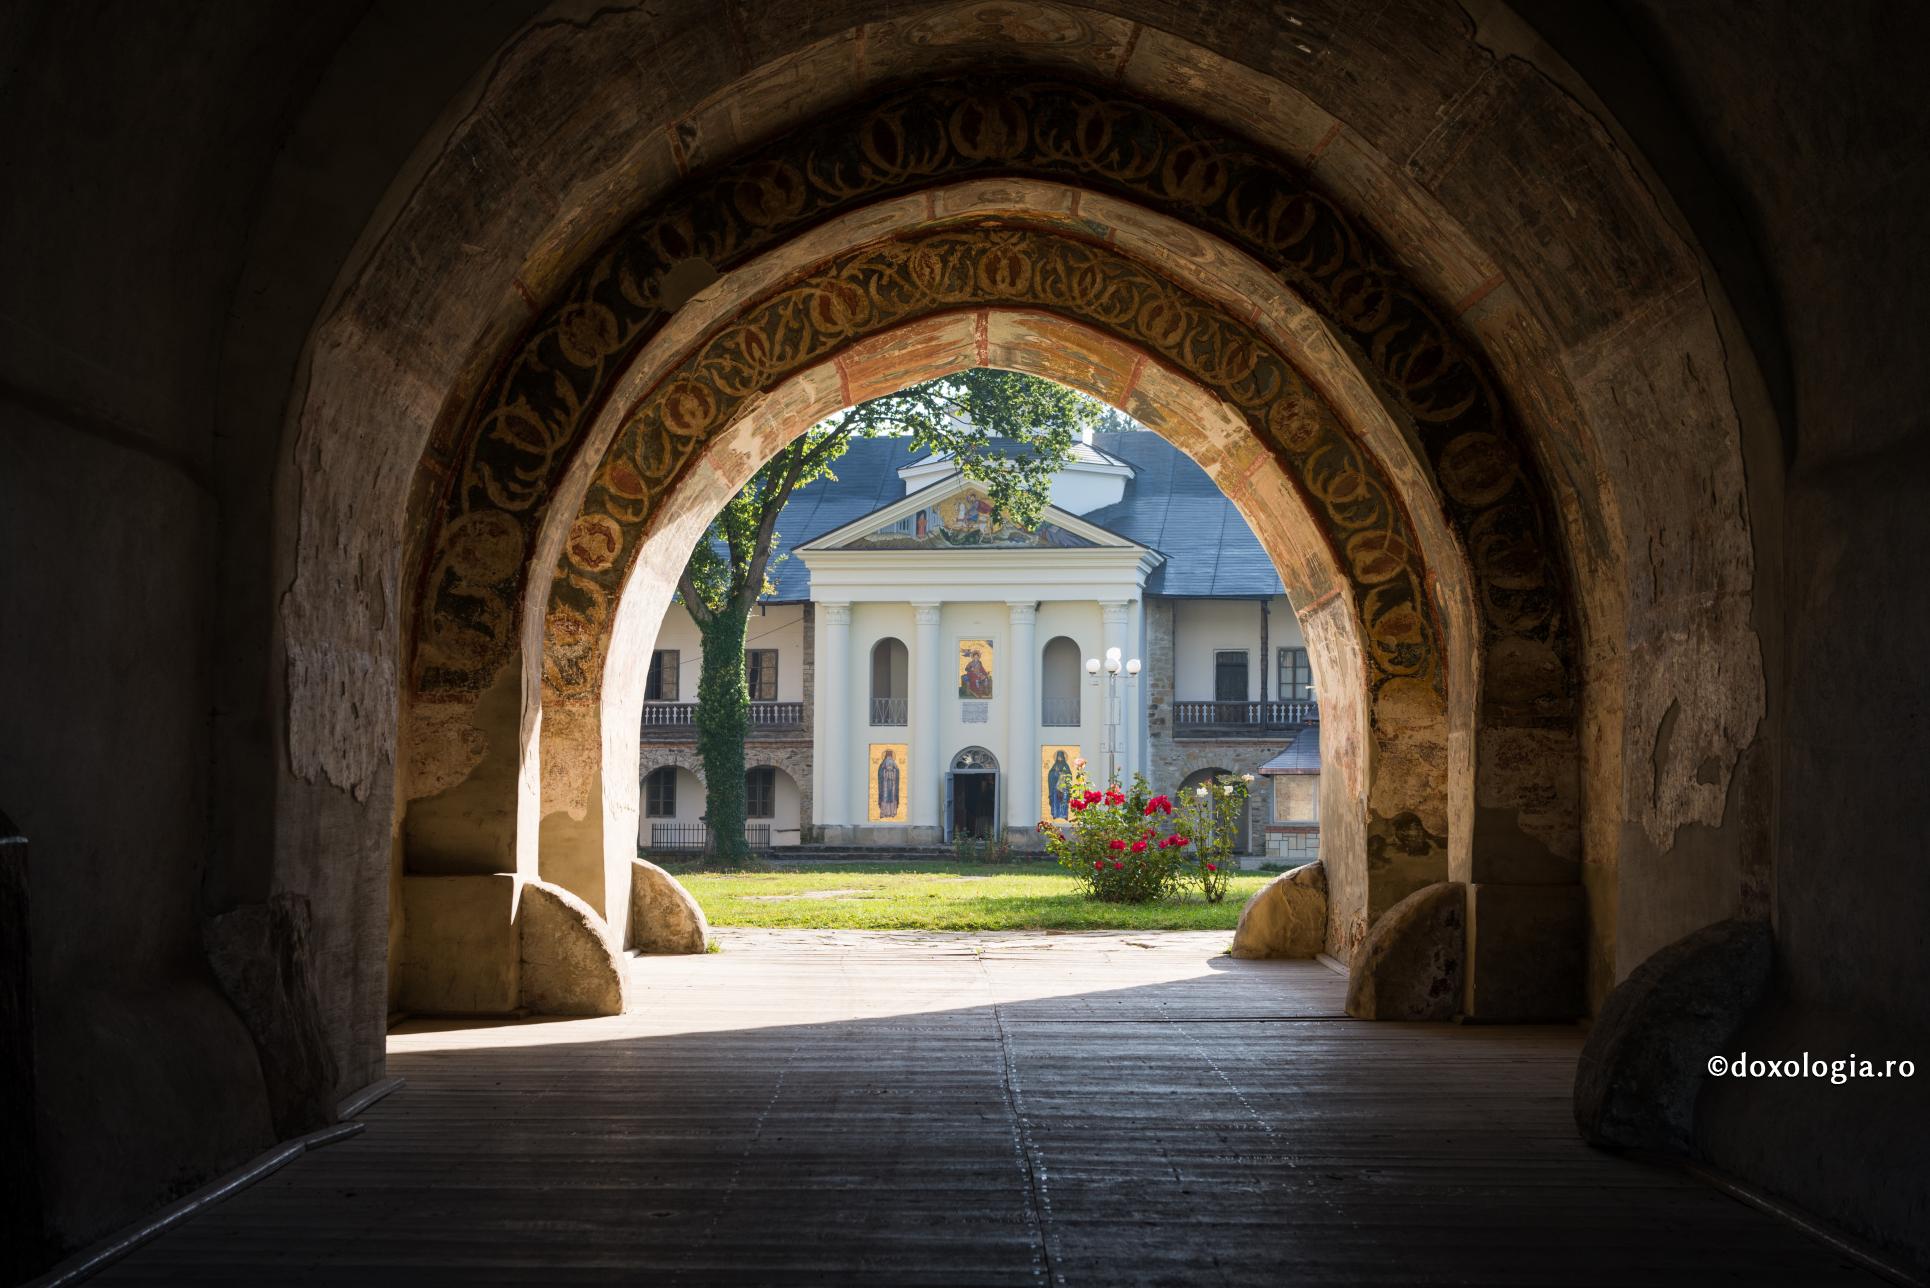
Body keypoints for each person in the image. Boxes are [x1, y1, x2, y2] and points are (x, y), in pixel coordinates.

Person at [1046, 750, 1072, 820]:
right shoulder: (1055, 766)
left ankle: (1064, 815)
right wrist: (1055, 773)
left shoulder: (1066, 765)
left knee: (1064, 800)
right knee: (1056, 801)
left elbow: (1069, 775)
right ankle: (1055, 814)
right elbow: (1051, 774)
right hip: (1056, 788)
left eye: (1061, 757)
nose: (1059, 758)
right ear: (1057, 757)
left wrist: (1063, 774)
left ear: (1063, 757)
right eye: (1058, 757)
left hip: (1064, 788)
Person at [876, 748, 901, 820]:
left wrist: (893, 773)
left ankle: (892, 813)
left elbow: (897, 772)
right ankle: (885, 813)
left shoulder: (894, 765)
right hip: (885, 785)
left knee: (892, 798)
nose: (889, 757)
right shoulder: (882, 765)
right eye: (888, 755)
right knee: (885, 798)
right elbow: (880, 773)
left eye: (890, 755)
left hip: (892, 785)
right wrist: (885, 773)